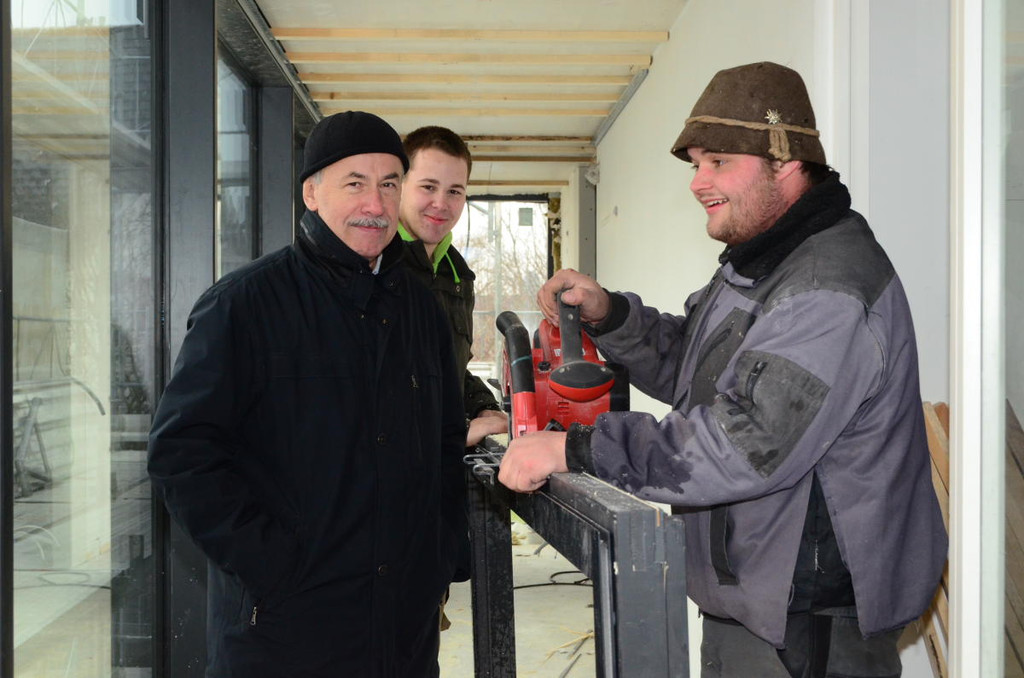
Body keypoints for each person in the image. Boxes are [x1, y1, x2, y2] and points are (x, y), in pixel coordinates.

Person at [498, 62, 947, 678]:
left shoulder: (826, 287)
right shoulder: (765, 260)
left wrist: (577, 448)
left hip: (806, 625)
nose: (698, 182)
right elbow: (697, 365)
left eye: (719, 162)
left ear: (785, 162)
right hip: (762, 602)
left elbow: (744, 444)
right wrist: (611, 315)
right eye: (695, 164)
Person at [148, 111, 467, 677]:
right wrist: (271, 566)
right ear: (311, 193)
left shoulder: (421, 310)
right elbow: (182, 455)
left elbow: (444, 443)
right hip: (284, 632)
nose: (375, 204)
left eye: (389, 184)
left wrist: (438, 558)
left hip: (402, 634)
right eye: (354, 183)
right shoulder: (244, 304)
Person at [398, 125, 508, 448]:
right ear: (399, 184)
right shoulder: (374, 265)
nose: (441, 203)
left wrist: (483, 406)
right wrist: (452, 432)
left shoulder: (458, 275)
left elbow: (450, 371)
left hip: (442, 462)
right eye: (428, 187)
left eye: (454, 191)